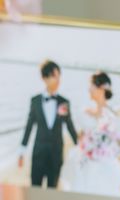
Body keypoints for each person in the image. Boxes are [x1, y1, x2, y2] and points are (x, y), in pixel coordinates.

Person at [60, 72, 120, 197]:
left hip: (103, 166)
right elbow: (80, 138)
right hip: (84, 164)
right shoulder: (86, 112)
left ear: (101, 88)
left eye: (91, 85)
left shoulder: (112, 116)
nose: (89, 89)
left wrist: (101, 149)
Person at [19, 60, 78, 188]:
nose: (58, 80)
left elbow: (70, 126)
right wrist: (22, 151)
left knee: (52, 192)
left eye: (59, 76)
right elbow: (29, 127)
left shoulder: (64, 102)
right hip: (38, 154)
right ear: (44, 78)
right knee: (35, 190)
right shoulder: (35, 101)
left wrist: (80, 147)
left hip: (56, 156)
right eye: (54, 76)